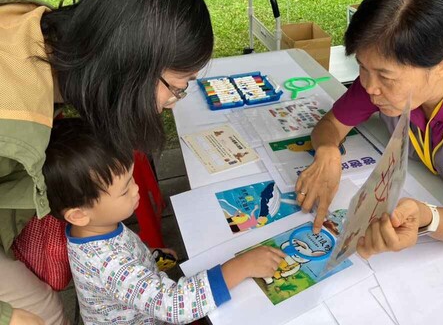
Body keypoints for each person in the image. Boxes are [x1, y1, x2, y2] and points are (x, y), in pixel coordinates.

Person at [0, 0, 215, 324]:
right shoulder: (10, 113)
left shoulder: (49, 39)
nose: (168, 104)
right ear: (130, 66)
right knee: (42, 314)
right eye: (176, 88)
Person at [295, 0, 443, 259]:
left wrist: (427, 217)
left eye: (385, 76)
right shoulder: (382, 71)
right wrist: (327, 151)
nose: (369, 87)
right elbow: (332, 124)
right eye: (362, 67)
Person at [42, 118, 285, 324]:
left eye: (132, 179)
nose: (137, 189)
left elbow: (124, 253)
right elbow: (174, 305)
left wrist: (150, 256)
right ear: (78, 214)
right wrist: (240, 266)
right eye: (125, 190)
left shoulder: (93, 225)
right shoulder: (108, 264)